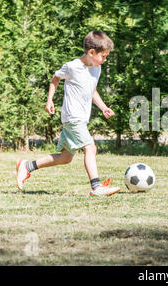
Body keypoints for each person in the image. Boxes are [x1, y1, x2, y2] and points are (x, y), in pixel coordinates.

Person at [16, 30, 120, 197]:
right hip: (73, 117)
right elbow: (56, 78)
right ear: (92, 52)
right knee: (90, 148)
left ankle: (27, 166)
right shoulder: (72, 66)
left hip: (81, 119)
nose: (105, 60)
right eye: (104, 56)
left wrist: (103, 107)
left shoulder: (96, 69)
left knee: (65, 158)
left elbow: (92, 90)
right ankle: (96, 187)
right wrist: (49, 100)